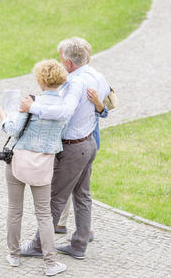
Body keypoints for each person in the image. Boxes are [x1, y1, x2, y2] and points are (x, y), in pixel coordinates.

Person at [19, 37, 110, 260]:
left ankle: (39, 245)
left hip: (73, 148)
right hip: (89, 143)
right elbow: (104, 104)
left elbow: (64, 112)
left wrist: (34, 107)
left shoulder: (76, 82)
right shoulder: (98, 76)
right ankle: (78, 245)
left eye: (61, 59)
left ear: (68, 63)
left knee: (56, 198)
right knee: (83, 196)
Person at [0, 59, 68, 276]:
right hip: (43, 165)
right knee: (44, 215)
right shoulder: (64, 106)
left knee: (15, 210)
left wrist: (3, 118)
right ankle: (49, 263)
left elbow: (15, 129)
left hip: (19, 161)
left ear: (40, 80)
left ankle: (14, 255)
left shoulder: (30, 101)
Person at [56, 88, 108, 239]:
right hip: (83, 143)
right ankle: (62, 223)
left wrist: (98, 102)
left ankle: (85, 230)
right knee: (71, 185)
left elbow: (106, 110)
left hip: (81, 143)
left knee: (77, 189)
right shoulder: (76, 83)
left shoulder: (87, 84)